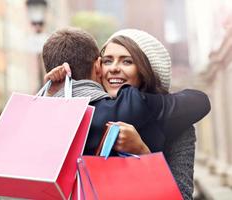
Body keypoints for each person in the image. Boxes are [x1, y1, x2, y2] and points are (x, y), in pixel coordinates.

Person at [42, 28, 210, 199]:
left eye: (127, 62)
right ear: (98, 68)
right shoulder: (81, 116)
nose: (114, 68)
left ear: (146, 69)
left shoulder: (178, 126)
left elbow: (182, 196)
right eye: (107, 61)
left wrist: (142, 153)